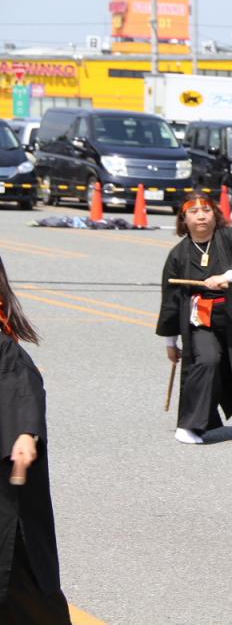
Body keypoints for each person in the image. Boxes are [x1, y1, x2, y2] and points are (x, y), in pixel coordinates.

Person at [157, 191, 232, 444]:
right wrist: (171, 343)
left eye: (207, 211)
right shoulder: (178, 255)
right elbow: (170, 301)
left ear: (216, 214)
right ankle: (191, 425)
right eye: (194, 212)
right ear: (183, 219)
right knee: (207, 360)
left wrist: (227, 277)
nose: (201, 216)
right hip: (201, 321)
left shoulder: (229, 237)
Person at [0, 255, 72, 623]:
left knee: (18, 572)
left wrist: (25, 433)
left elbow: (22, 389)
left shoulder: (6, 349)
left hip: (6, 491)